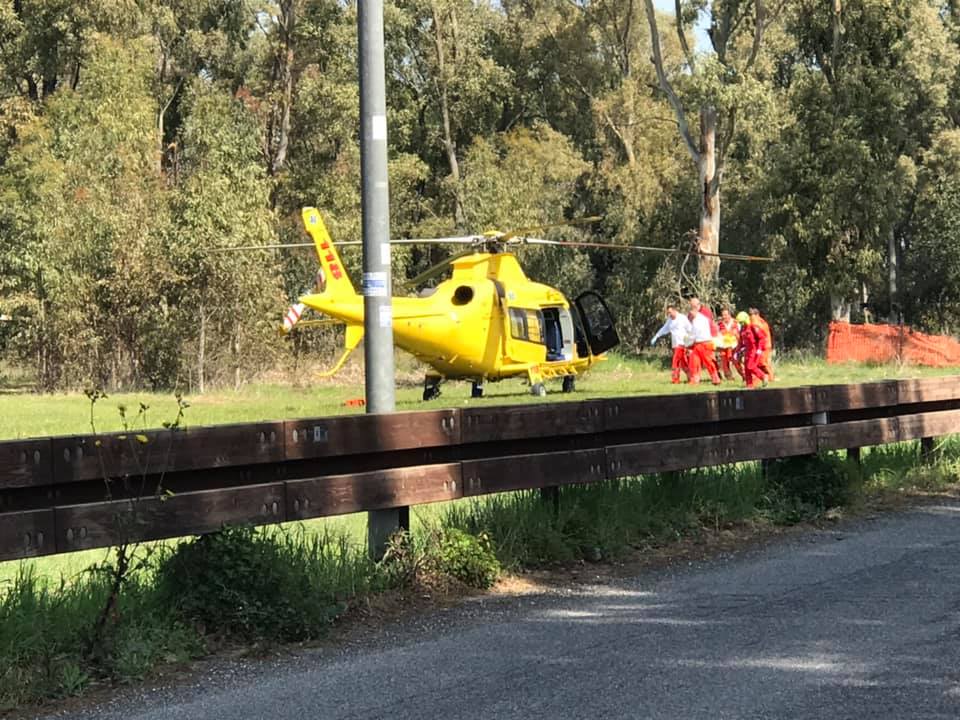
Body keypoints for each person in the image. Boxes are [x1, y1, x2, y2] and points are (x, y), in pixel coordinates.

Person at [650, 305, 693, 384]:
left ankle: (675, 379)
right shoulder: (670, 320)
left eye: (670, 312)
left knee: (675, 362)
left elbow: (690, 328)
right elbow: (664, 329)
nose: (669, 314)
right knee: (683, 363)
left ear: (674, 310)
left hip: (682, 343)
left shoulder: (682, 318)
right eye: (668, 313)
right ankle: (691, 378)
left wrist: (691, 341)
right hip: (675, 344)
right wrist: (656, 336)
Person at [687, 299, 721, 385]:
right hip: (698, 344)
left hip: (704, 343)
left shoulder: (700, 320)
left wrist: (688, 343)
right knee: (694, 362)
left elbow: (694, 333)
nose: (689, 318)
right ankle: (695, 380)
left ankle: (715, 378)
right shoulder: (697, 319)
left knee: (708, 362)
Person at [735, 311, 767, 388]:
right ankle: (749, 385)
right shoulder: (742, 329)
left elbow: (762, 338)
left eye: (742, 322)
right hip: (747, 350)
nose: (741, 324)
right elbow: (741, 342)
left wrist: (759, 349)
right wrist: (737, 351)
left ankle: (763, 376)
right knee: (746, 368)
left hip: (754, 350)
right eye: (740, 323)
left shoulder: (753, 327)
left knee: (751, 366)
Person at [749, 308, 775, 381]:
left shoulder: (760, 322)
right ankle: (762, 377)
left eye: (752, 315)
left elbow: (761, 334)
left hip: (765, 345)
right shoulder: (757, 321)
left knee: (763, 362)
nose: (750, 317)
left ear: (757, 315)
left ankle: (771, 377)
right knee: (759, 362)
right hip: (762, 345)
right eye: (750, 315)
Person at [717, 307, 742, 381]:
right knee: (724, 360)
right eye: (723, 315)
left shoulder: (736, 323)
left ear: (729, 315)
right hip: (724, 346)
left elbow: (741, 334)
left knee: (735, 361)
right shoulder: (720, 324)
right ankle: (729, 377)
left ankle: (743, 375)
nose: (724, 317)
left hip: (735, 346)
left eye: (725, 315)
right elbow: (718, 335)